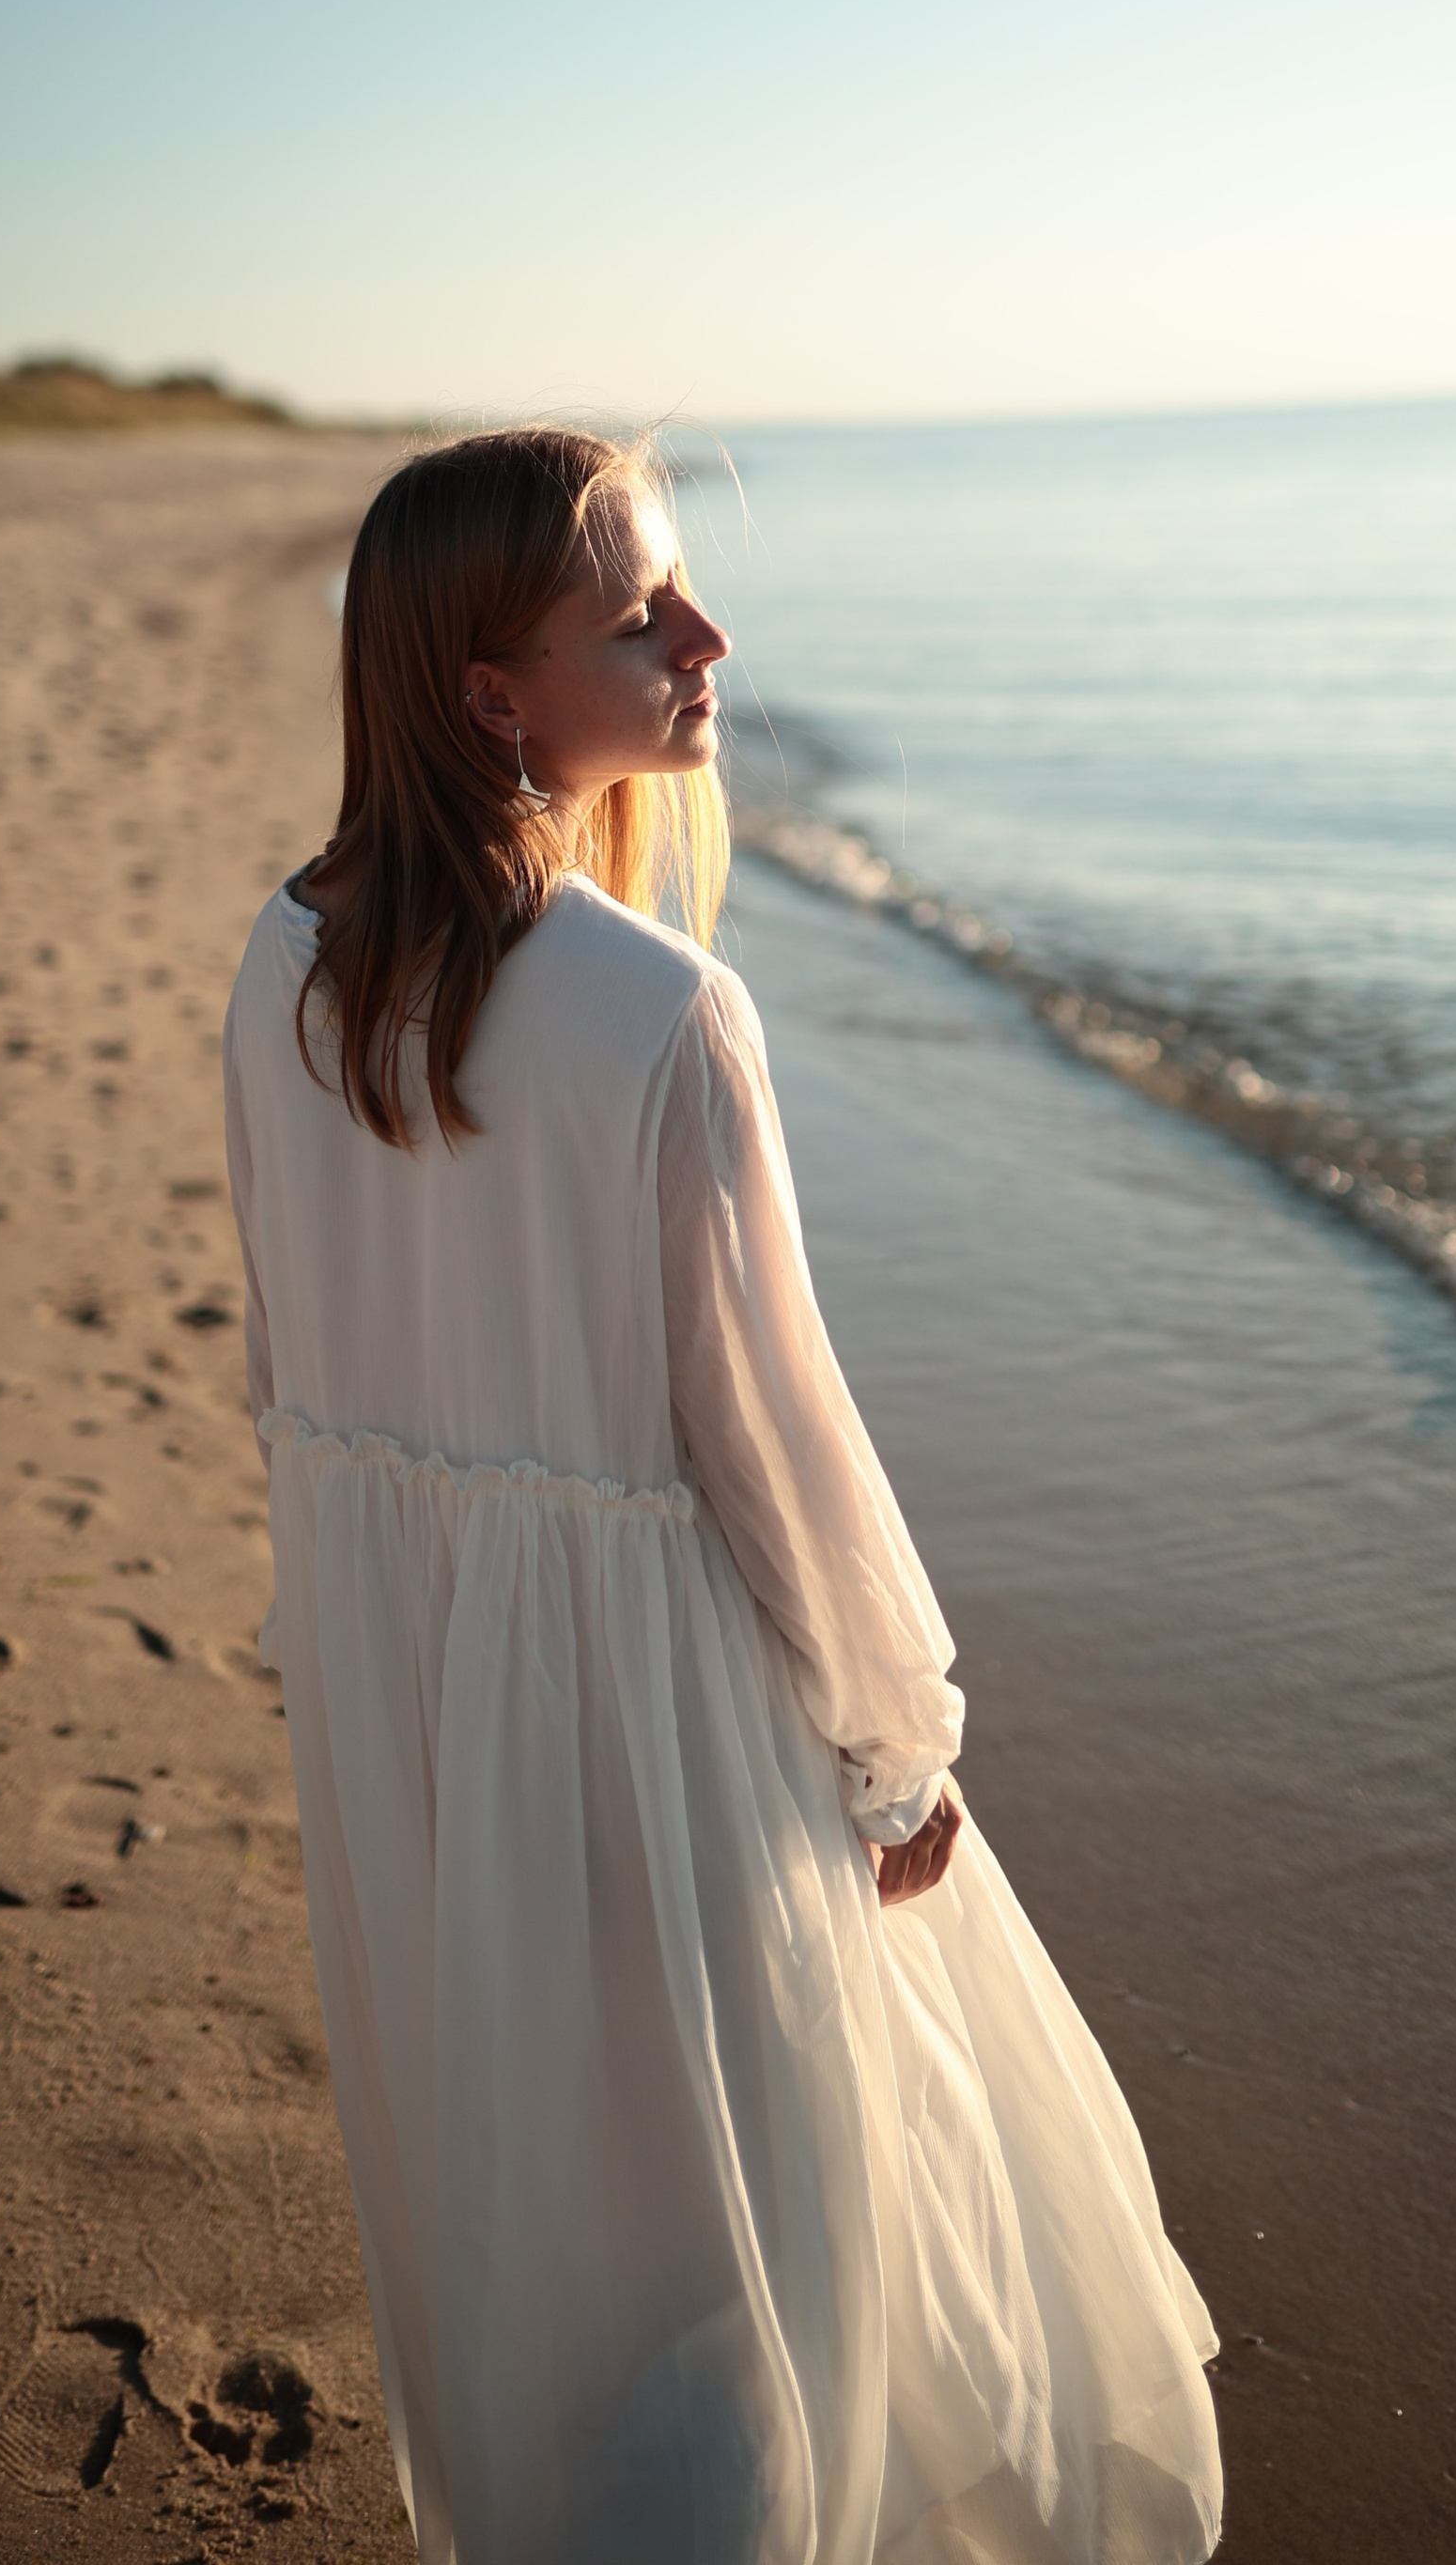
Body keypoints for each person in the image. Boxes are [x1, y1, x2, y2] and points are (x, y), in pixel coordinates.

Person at [223, 424, 1223, 2564]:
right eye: (636, 613)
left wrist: (380, 1655)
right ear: (495, 698)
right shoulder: (662, 1013)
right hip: (638, 1699)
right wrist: (892, 1746)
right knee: (728, 2230)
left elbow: (288, 1380)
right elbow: (769, 1443)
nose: (707, 635)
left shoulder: (275, 970)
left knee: (524, 2195)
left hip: (401, 1696)